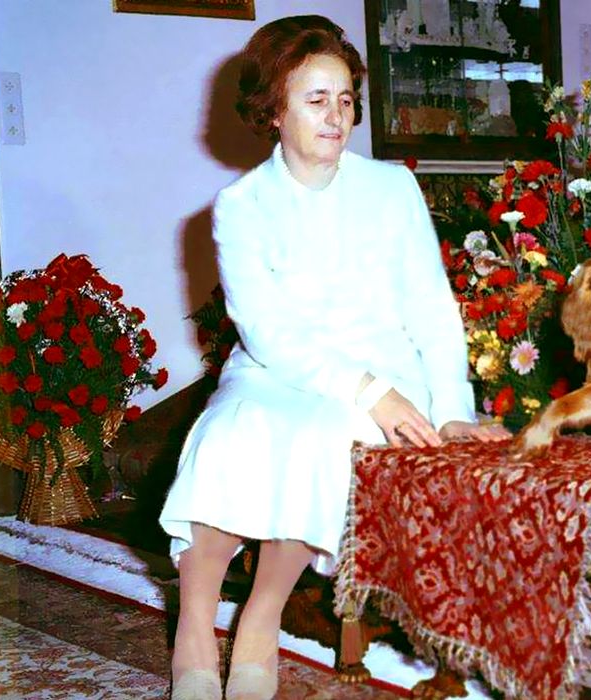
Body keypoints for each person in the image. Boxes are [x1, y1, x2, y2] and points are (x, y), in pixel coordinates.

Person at [159, 16, 507, 700]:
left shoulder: (392, 188)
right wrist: (369, 389)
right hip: (275, 370)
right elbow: (269, 334)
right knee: (229, 434)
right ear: (274, 109)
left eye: (345, 99)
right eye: (316, 99)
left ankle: (260, 616)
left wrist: (451, 410)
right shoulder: (241, 206)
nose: (337, 115)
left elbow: (432, 311)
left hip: (383, 373)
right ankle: (194, 625)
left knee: (325, 434)